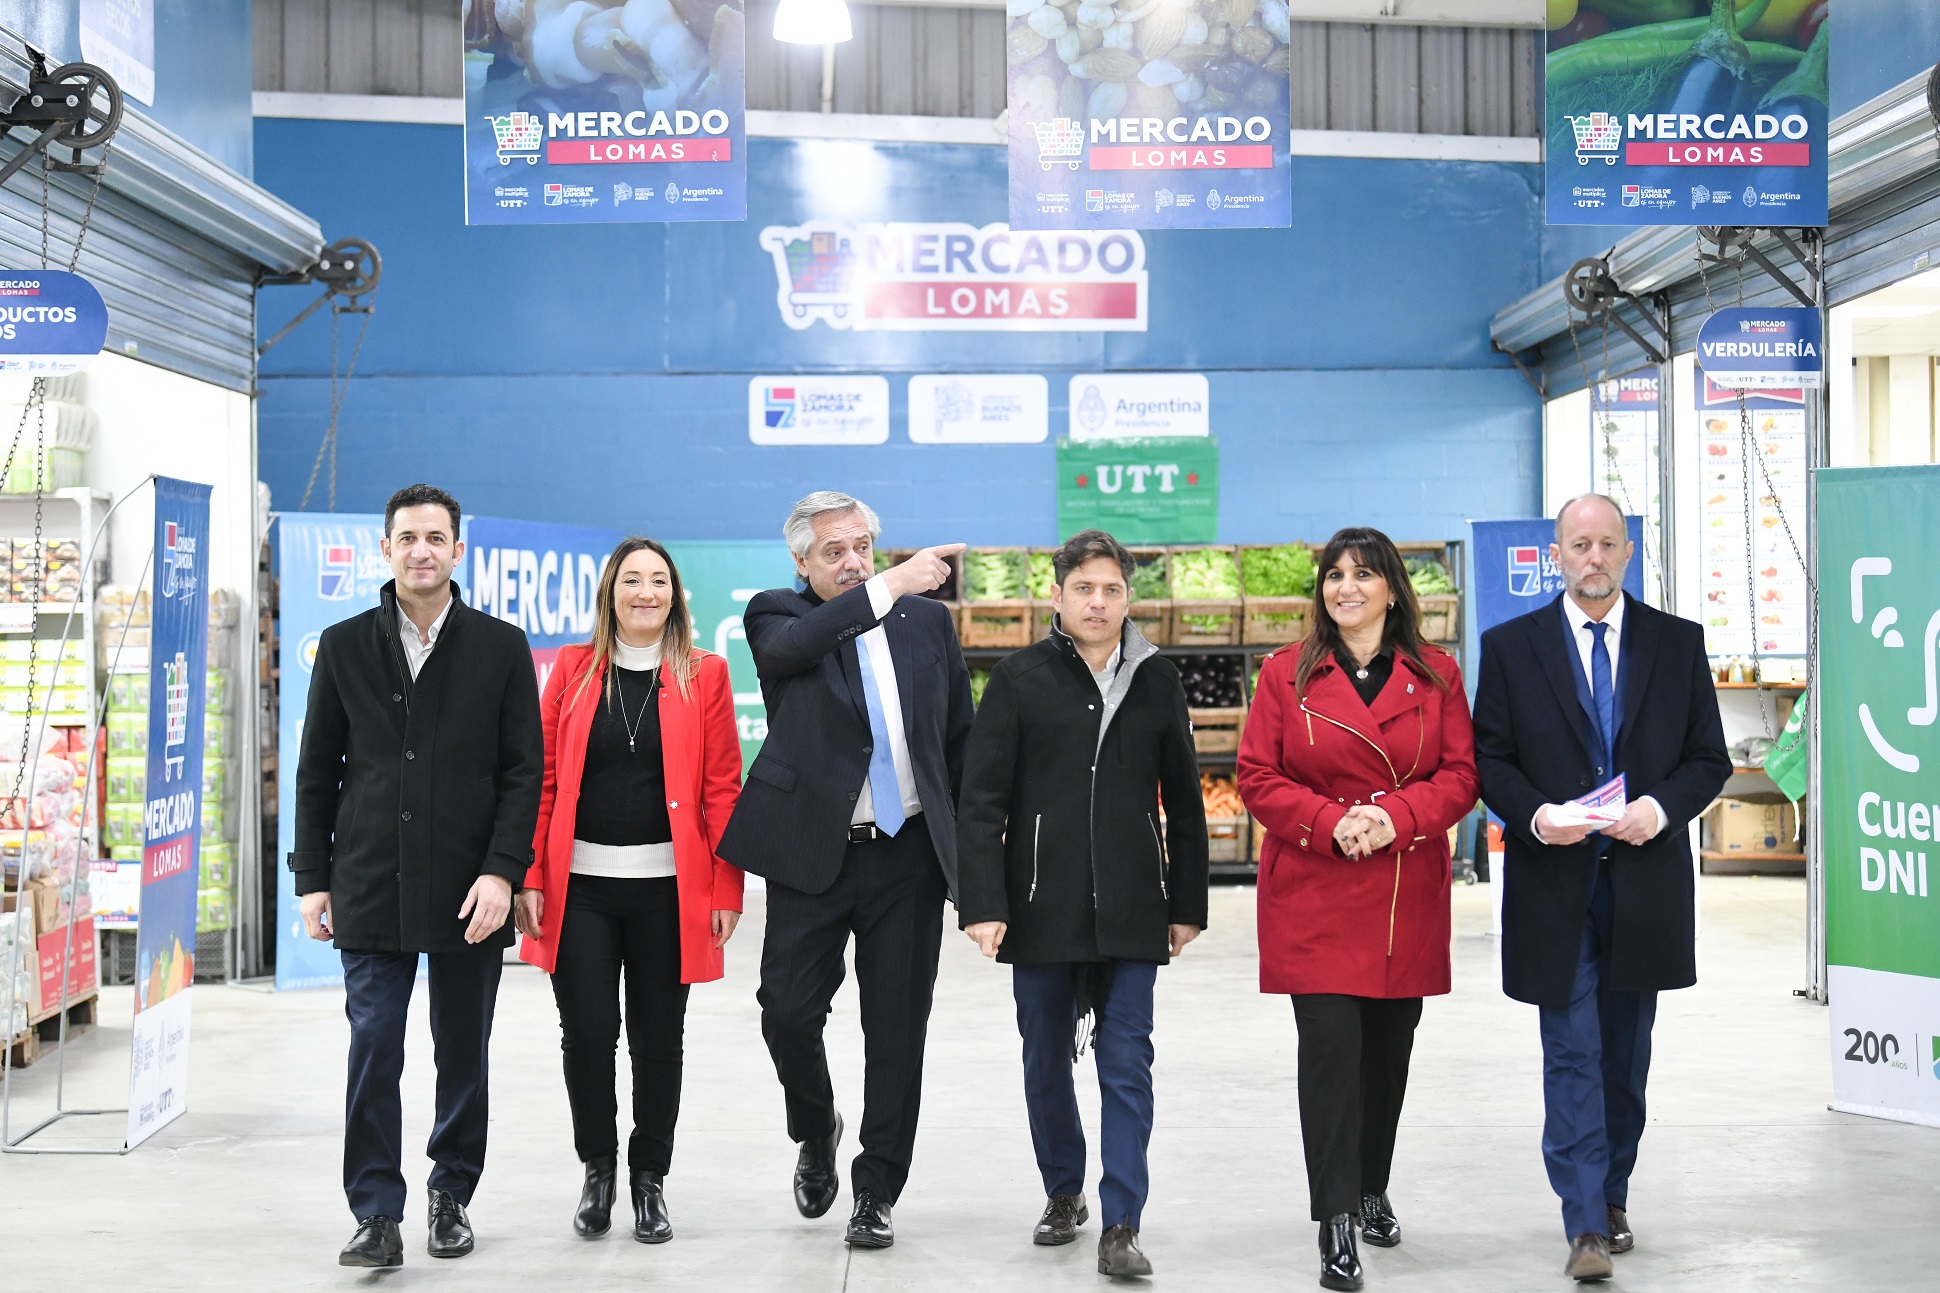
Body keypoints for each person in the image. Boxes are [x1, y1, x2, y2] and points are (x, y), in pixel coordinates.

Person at [1471, 494, 1729, 1283]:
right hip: (1556, 881)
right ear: (1556, 554)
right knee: (1572, 1051)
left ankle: (1613, 1190)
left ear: (1626, 553)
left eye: (1606, 544)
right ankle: (1584, 1219)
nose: (1592, 557)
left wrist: (1657, 809)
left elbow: (1707, 758)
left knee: (1625, 1055)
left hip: (1644, 879)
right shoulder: (1511, 648)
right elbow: (1490, 760)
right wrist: (1536, 815)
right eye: (1578, 544)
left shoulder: (1676, 644)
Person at [291, 483, 543, 1269]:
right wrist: (312, 877)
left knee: (461, 1046)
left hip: (471, 885)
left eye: (436, 536)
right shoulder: (342, 645)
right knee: (374, 1045)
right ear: (386, 549)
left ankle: (451, 1194)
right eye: (407, 537)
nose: (422, 549)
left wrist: (504, 872)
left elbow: (522, 772)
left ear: (458, 550)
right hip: (369, 877)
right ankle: (375, 1211)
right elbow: (315, 772)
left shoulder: (501, 647)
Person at [717, 491, 974, 1251]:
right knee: (787, 1012)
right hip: (813, 851)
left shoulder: (928, 623)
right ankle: (815, 1123)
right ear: (801, 561)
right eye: (834, 550)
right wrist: (889, 583)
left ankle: (876, 1187)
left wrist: (975, 865)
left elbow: (957, 740)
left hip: (909, 853)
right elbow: (787, 655)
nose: (854, 559)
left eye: (863, 545)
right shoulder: (778, 616)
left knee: (897, 1027)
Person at [956, 529, 1208, 1280]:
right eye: (1084, 588)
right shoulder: (1019, 678)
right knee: (1044, 1059)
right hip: (1039, 904)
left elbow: (1187, 801)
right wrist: (984, 901)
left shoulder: (1157, 678)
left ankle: (1123, 1221)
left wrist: (1186, 900)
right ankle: (1063, 1190)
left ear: (1129, 597)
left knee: (1127, 1062)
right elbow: (981, 800)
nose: (1098, 601)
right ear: (1056, 594)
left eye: (1112, 589)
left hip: (1134, 903)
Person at [1236, 526, 1479, 1293]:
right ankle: (1335, 1217)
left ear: (1391, 589)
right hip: (1315, 886)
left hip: (1402, 888)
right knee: (1331, 1052)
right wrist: (1329, 820)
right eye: (1334, 575)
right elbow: (1256, 774)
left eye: (1363, 574)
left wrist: (1396, 817)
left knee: (1388, 1053)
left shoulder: (1437, 674)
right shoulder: (1285, 675)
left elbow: (1461, 774)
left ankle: (1372, 1183)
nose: (1346, 587)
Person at [512, 537, 745, 1245]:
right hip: (579, 887)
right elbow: (542, 779)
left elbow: (721, 788)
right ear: (611, 592)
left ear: (675, 595)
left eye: (659, 581)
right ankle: (598, 1167)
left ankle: (650, 1177)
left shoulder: (705, 674)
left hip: (668, 893)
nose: (647, 592)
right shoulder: (574, 671)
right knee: (586, 1035)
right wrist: (527, 874)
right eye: (632, 580)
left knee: (657, 1041)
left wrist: (726, 887)